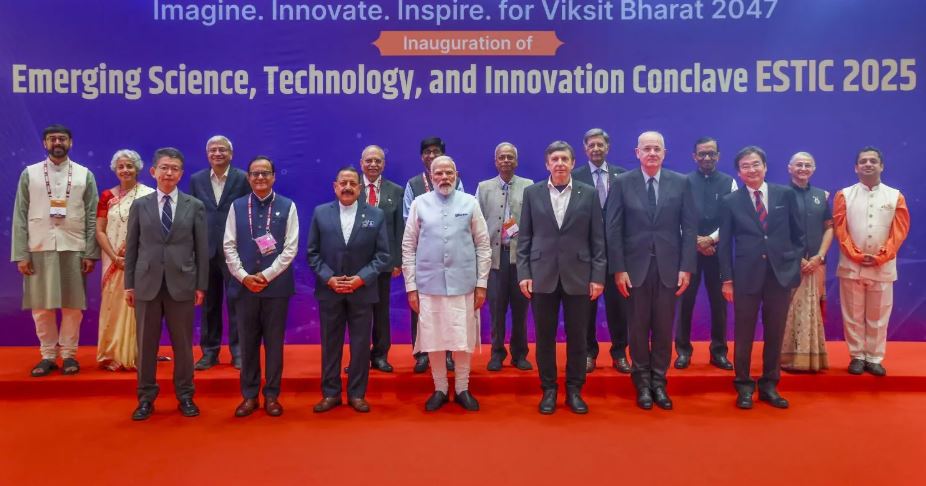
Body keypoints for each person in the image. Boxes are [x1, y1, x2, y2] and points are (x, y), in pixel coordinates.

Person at [608, 131, 697, 410]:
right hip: (634, 270)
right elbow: (613, 228)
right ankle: (642, 384)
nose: (652, 153)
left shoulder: (680, 182)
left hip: (669, 268)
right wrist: (618, 268)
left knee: (662, 328)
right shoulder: (622, 183)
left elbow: (689, 228)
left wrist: (686, 267)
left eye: (657, 149)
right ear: (637, 153)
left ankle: (659, 382)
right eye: (646, 149)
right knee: (637, 329)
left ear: (664, 153)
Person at [517, 141, 606, 415]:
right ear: (547, 164)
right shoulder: (532, 193)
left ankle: (575, 390)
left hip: (579, 276)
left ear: (572, 163)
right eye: (554, 159)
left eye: (564, 159)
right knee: (544, 338)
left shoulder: (588, 193)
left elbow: (597, 239)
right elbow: (524, 238)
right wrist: (524, 273)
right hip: (541, 276)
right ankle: (549, 390)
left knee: (578, 338)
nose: (559, 164)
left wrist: (598, 276)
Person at [125, 147, 209, 421]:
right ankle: (145, 398)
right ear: (153, 172)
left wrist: (201, 285)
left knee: (183, 346)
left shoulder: (194, 206)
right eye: (164, 167)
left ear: (181, 174)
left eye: (174, 168)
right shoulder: (140, 205)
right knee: (146, 346)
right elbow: (132, 247)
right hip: (146, 284)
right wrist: (129, 284)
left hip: (182, 284)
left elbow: (201, 248)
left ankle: (185, 395)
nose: (169, 173)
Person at [719, 146, 804, 410]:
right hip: (746, 277)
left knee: (775, 332)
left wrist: (791, 266)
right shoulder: (730, 201)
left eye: (756, 164)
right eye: (745, 166)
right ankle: (744, 386)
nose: (751, 170)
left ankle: (769, 385)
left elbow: (799, 236)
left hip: (779, 276)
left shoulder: (785, 194)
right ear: (739, 172)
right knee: (743, 333)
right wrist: (727, 279)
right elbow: (724, 245)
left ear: (765, 167)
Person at [403, 156, 490, 412]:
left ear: (456, 174)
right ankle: (440, 388)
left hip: (464, 284)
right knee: (434, 339)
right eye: (439, 173)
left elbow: (483, 245)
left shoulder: (470, 202)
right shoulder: (419, 204)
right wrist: (411, 287)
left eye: (448, 173)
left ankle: (462, 388)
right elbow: (408, 247)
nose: (444, 177)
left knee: (462, 338)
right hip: (428, 285)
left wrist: (482, 283)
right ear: (431, 176)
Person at [11, 124, 99, 377]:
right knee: (41, 307)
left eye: (62, 138)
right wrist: (21, 254)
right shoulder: (30, 173)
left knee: (73, 306)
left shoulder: (84, 174)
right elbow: (20, 215)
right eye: (52, 139)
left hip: (74, 246)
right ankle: (48, 355)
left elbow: (92, 216)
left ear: (70, 142)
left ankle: (69, 354)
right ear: (45, 143)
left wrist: (90, 252)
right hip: (38, 246)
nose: (57, 142)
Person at [308, 166, 390, 413]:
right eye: (343, 183)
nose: (347, 187)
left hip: (362, 291)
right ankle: (330, 393)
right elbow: (312, 253)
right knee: (330, 345)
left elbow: (383, 255)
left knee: (361, 346)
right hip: (330, 291)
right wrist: (329, 278)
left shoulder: (376, 215)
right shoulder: (321, 213)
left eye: (352, 183)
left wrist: (361, 279)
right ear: (335, 187)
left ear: (360, 188)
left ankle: (357, 394)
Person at [224, 156, 299, 417]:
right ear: (248, 178)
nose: (260, 178)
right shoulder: (237, 206)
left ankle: (272, 396)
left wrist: (266, 276)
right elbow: (228, 245)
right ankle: (249, 396)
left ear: (274, 177)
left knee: (274, 344)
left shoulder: (288, 206)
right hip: (244, 288)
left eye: (265, 173)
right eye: (255, 173)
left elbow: (290, 248)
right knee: (247, 344)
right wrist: (244, 276)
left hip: (276, 288)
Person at [833, 147, 910, 376]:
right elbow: (840, 230)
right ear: (855, 167)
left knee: (879, 314)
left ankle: (875, 357)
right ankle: (857, 356)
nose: (868, 164)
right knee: (853, 314)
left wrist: (882, 256)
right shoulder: (844, 195)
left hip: (882, 266)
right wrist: (855, 255)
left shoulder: (895, 196)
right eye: (863, 161)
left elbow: (899, 231)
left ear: (881, 166)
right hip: (851, 265)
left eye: (873, 161)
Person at [571, 128, 631, 374]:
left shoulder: (623, 176)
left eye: (600, 145)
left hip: (617, 253)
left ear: (608, 147)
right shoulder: (575, 176)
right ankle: (588, 353)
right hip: (586, 255)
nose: (596, 149)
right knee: (586, 309)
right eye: (591, 145)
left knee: (619, 308)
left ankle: (619, 353)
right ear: (585, 149)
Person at [675, 137, 737, 370]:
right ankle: (683, 351)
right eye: (702, 153)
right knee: (685, 302)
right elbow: (676, 216)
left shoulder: (729, 182)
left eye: (711, 153)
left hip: (717, 251)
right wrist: (695, 242)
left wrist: (710, 240)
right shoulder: (683, 182)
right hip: (688, 252)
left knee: (719, 303)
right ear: (694, 157)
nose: (707, 157)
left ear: (718, 156)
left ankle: (719, 352)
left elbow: (731, 218)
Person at [189, 135, 250, 370]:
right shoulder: (197, 180)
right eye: (212, 150)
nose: (217, 153)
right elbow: (193, 215)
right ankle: (210, 352)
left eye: (222, 149)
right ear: (207, 155)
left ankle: (239, 352)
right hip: (206, 251)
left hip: (235, 250)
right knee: (208, 306)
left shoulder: (243, 178)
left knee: (237, 304)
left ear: (230, 154)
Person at [403, 137, 461, 373]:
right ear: (421, 157)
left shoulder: (456, 181)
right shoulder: (413, 184)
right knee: (421, 308)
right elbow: (408, 219)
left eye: (436, 151)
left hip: (451, 257)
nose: (431, 155)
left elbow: (461, 214)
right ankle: (421, 354)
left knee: (447, 308)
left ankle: (447, 354)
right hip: (423, 256)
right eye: (427, 151)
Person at [475, 142, 533, 372]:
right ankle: (497, 353)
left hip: (520, 259)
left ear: (516, 161)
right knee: (496, 310)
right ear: (495, 161)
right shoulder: (484, 188)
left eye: (510, 157)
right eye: (502, 157)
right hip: (495, 260)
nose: (506, 160)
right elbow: (476, 223)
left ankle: (520, 354)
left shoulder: (528, 186)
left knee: (520, 310)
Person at [96, 149, 155, 371]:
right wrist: (114, 256)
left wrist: (133, 256)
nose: (125, 170)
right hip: (112, 261)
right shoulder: (107, 196)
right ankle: (112, 353)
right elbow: (99, 230)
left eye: (129, 166)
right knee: (112, 305)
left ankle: (134, 354)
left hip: (139, 260)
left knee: (136, 306)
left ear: (137, 168)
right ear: (115, 170)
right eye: (121, 166)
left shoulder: (149, 194)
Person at [781, 152, 833, 372]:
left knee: (814, 310)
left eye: (807, 165)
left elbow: (829, 228)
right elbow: (778, 231)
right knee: (788, 310)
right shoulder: (780, 195)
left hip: (817, 264)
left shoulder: (821, 196)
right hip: (790, 264)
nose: (803, 168)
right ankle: (787, 358)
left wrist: (819, 256)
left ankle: (812, 359)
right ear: (789, 168)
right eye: (799, 165)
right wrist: (798, 259)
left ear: (814, 169)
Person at [359, 145, 405, 372]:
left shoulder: (396, 191)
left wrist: (397, 261)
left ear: (384, 165)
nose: (373, 164)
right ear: (361, 163)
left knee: (381, 311)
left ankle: (380, 355)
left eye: (378, 161)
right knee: (358, 313)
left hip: (384, 262)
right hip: (356, 263)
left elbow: (399, 228)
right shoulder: (351, 187)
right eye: (369, 160)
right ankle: (358, 358)